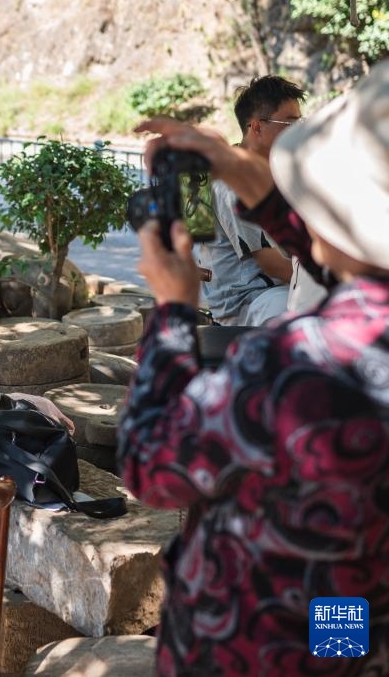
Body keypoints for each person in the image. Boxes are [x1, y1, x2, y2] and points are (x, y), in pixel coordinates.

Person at [118, 61, 389, 675]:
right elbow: (345, 262)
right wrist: (249, 182)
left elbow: (153, 466)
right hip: (344, 608)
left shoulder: (303, 365)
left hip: (253, 642)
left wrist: (171, 315)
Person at [196, 76, 301, 326]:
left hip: (275, 286)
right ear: (256, 128)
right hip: (248, 299)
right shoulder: (235, 182)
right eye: (289, 123)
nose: (298, 131)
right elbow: (271, 264)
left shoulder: (268, 169)